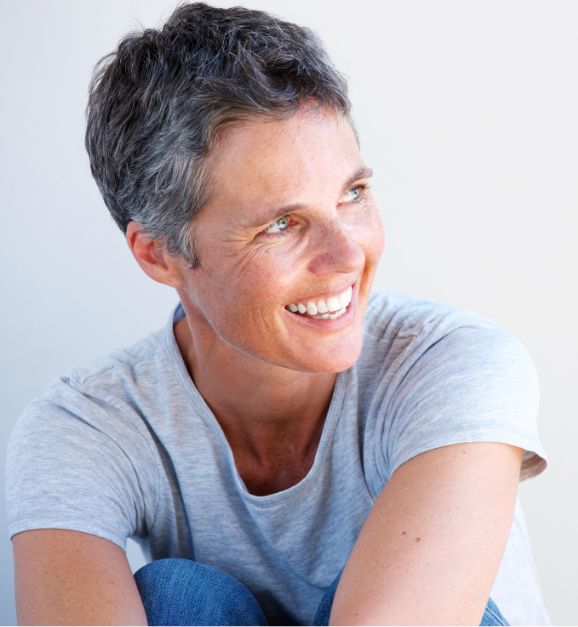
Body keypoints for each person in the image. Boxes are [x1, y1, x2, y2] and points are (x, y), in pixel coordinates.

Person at [6, 3, 549, 625]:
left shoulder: (454, 365)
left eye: (352, 194)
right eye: (282, 224)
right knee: (175, 598)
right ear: (159, 254)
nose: (348, 256)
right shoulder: (89, 427)